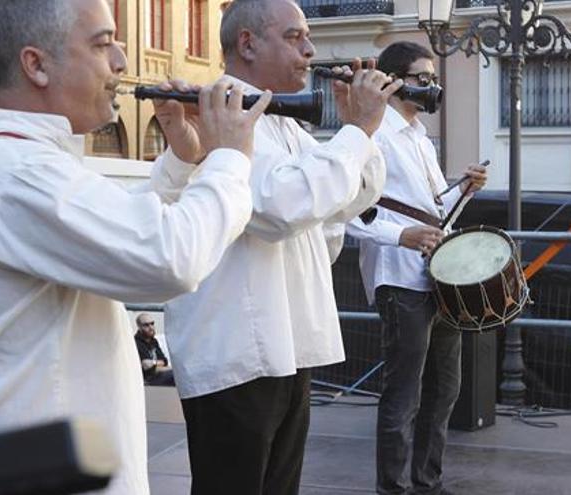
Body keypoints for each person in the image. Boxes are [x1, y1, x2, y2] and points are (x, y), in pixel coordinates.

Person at [0, 0, 271, 494]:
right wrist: (231, 157)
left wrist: (183, 160)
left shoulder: (16, 163)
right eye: (103, 44)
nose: (122, 63)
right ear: (36, 65)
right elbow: (169, 257)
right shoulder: (17, 173)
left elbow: (115, 233)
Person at [147, 1, 403, 493]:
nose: (309, 50)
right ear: (247, 43)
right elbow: (280, 208)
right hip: (236, 352)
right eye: (294, 37)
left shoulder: (283, 122)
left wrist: (357, 130)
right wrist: (356, 134)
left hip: (286, 345)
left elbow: (349, 199)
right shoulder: (224, 117)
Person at [347, 41, 487, 495]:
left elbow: (433, 212)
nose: (432, 86)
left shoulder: (419, 136)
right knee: (404, 392)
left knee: (445, 387)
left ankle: (428, 481)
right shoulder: (372, 134)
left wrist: (463, 189)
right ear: (393, 81)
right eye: (422, 79)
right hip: (399, 278)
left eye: (433, 78)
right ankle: (394, 488)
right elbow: (347, 209)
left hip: (435, 275)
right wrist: (398, 236)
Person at [134, 313, 174, 386]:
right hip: (148, 380)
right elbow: (147, 368)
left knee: (178, 375)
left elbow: (164, 361)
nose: (151, 327)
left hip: (158, 376)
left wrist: (153, 363)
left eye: (152, 323)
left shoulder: (154, 341)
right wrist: (160, 365)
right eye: (146, 325)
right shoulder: (136, 343)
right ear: (139, 327)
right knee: (175, 375)